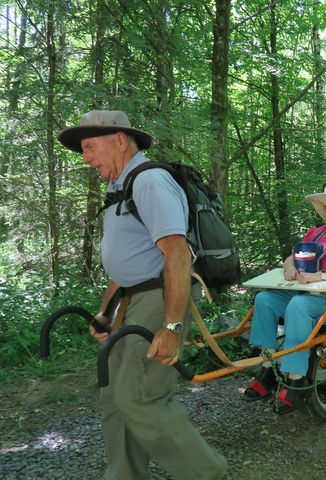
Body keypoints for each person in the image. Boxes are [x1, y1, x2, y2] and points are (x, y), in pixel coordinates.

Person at [57, 110, 228, 480]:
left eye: (90, 147)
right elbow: (127, 261)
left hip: (158, 299)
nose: (85, 158)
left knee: (140, 397)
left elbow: (177, 253)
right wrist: (107, 311)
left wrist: (171, 326)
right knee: (115, 398)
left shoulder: (149, 181)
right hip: (134, 300)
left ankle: (207, 474)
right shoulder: (120, 186)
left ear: (120, 140)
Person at [243, 182, 326, 414]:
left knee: (298, 305)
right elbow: (291, 256)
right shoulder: (316, 232)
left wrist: (319, 275)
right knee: (264, 299)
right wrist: (289, 267)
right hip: (308, 293)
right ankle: (268, 370)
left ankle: (295, 380)